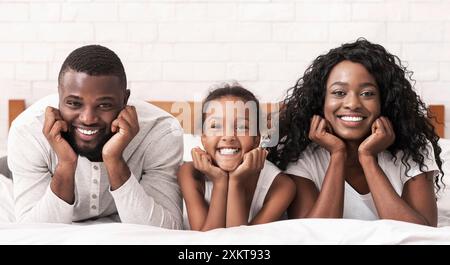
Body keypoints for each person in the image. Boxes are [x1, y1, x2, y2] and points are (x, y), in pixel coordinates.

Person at [267, 38, 444, 227]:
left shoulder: (414, 147)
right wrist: (337, 155)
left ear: (384, 101)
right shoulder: (298, 151)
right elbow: (314, 234)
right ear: (321, 100)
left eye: (367, 93)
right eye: (339, 93)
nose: (352, 104)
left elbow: (422, 232)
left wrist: (368, 159)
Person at [8, 45, 183, 228]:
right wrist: (66, 165)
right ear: (58, 97)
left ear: (125, 100)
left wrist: (114, 160)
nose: (88, 118)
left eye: (104, 105)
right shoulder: (27, 131)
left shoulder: (161, 131)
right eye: (74, 103)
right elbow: (30, 232)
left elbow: (166, 231)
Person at [178, 83, 295, 231]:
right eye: (215, 126)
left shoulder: (281, 185)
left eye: (241, 127)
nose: (228, 136)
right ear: (203, 138)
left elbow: (239, 246)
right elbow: (208, 242)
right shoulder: (189, 173)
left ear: (256, 139)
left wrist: (236, 182)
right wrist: (220, 182)